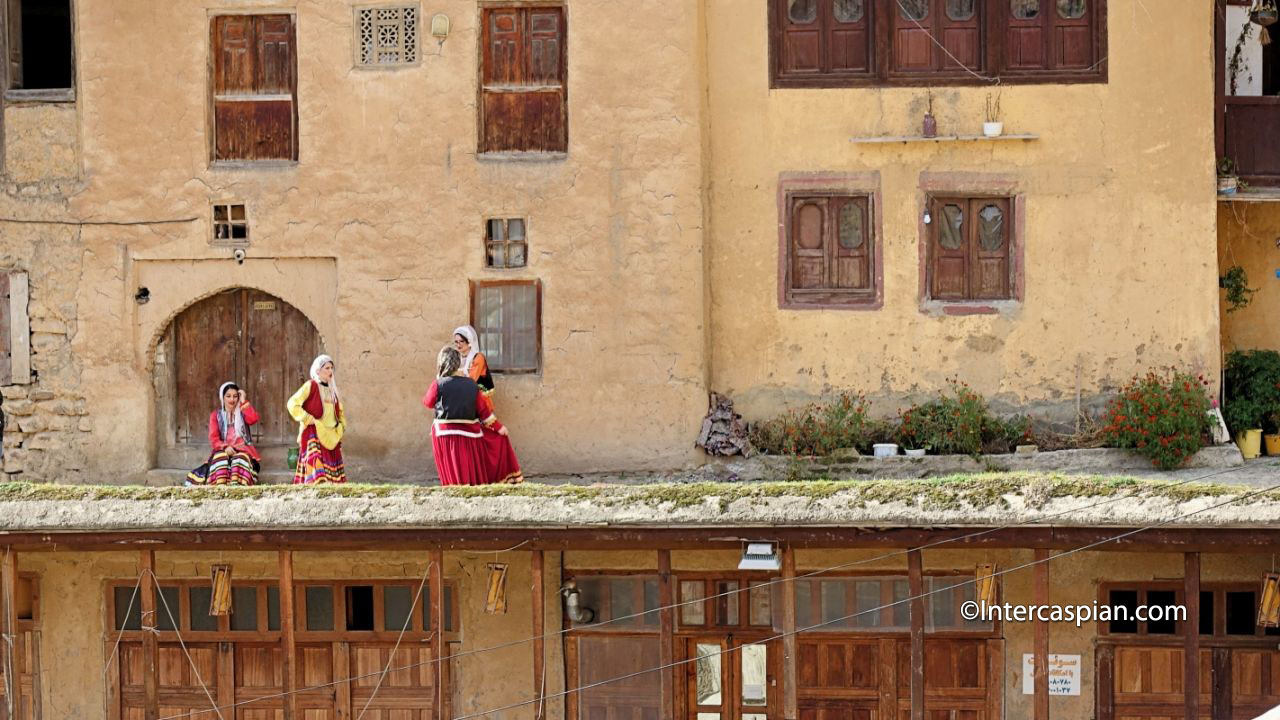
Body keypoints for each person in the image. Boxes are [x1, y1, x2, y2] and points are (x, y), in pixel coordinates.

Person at [423, 345, 523, 485]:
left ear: (441, 363)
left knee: (453, 471)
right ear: (458, 363)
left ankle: (452, 486)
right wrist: (499, 428)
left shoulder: (438, 384)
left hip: (444, 434)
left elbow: (428, 402)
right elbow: (484, 413)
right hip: (469, 435)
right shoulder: (471, 385)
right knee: (469, 464)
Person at [287, 354, 347, 484]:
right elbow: (292, 403)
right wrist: (307, 418)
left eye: (331, 368)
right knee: (316, 467)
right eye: (327, 368)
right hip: (313, 432)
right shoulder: (311, 385)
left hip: (331, 434)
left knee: (332, 475)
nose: (330, 371)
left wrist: (341, 426)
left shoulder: (333, 391)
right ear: (317, 371)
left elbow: (340, 412)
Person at [187, 382, 260, 486]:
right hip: (223, 449)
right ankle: (219, 487)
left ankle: (238, 486)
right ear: (222, 398)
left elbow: (253, 419)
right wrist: (225, 447)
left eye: (235, 396)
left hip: (242, 450)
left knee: (240, 459)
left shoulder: (243, 412)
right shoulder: (215, 415)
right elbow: (214, 438)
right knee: (220, 458)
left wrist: (243, 401)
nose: (232, 400)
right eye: (228, 396)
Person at [453, 325, 495, 396]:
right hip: (463, 397)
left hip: (480, 398)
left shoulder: (478, 357)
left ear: (469, 342)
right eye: (456, 342)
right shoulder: (457, 357)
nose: (458, 344)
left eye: (461, 341)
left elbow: (471, 380)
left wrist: (456, 373)